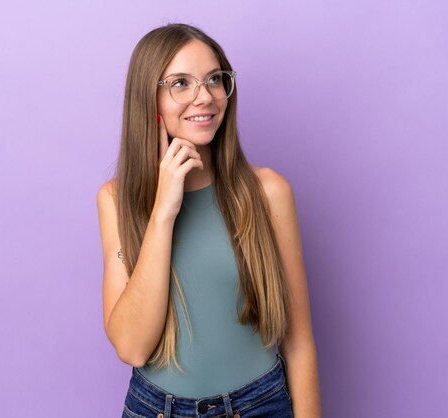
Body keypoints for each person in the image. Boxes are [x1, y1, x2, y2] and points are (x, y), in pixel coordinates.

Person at [97, 23, 321, 417]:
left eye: (215, 79)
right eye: (181, 83)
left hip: (261, 405)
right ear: (149, 100)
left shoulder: (269, 193)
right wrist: (164, 211)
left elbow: (299, 344)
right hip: (158, 410)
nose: (205, 97)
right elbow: (131, 347)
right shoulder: (116, 200)